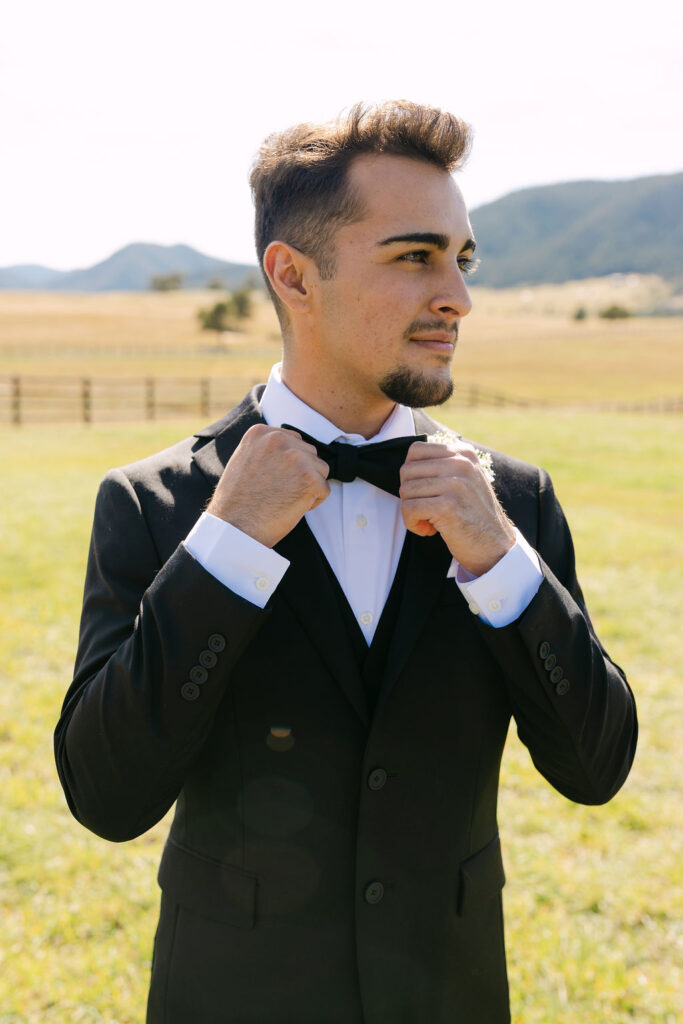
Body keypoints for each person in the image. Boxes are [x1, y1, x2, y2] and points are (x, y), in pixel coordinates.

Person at [55, 101, 637, 1024]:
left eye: (461, 258)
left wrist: (498, 561)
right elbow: (106, 794)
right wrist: (227, 546)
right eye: (415, 256)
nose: (457, 296)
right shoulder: (156, 505)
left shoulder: (512, 503)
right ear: (293, 274)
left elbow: (596, 768)